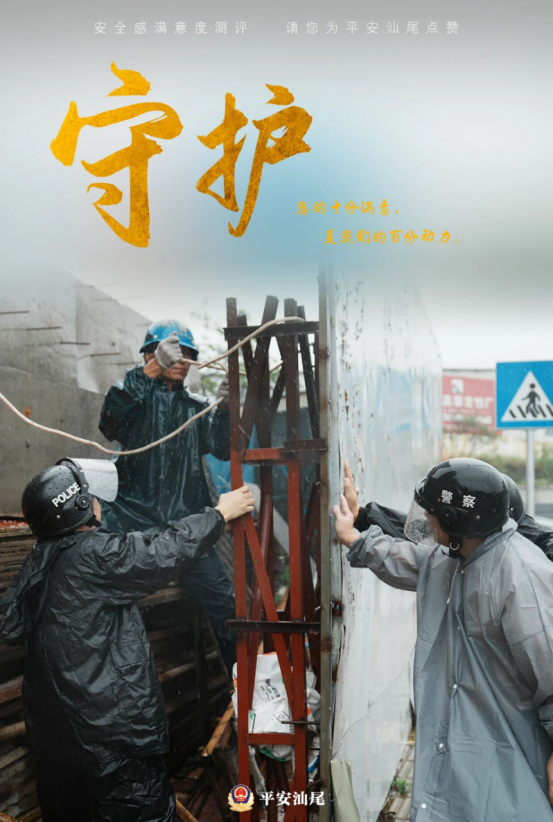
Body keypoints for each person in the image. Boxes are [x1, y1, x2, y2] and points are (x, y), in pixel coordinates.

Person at [0, 457, 254, 822]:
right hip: (112, 741)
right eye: (91, 496)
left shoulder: (39, 562)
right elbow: (162, 552)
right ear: (79, 506)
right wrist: (218, 514)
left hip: (58, 745)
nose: (99, 502)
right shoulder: (92, 554)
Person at [334, 458, 553, 821]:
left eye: (432, 512)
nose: (426, 518)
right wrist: (355, 534)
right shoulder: (457, 557)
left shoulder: (520, 576)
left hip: (508, 739)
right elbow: (411, 560)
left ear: (454, 519)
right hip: (466, 733)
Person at [99, 319, 237, 674]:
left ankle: (247, 687)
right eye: (173, 353)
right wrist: (150, 371)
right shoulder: (132, 398)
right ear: (150, 354)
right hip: (133, 527)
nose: (181, 359)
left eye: (187, 354)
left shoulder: (196, 408)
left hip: (186, 529)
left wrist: (225, 409)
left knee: (226, 608)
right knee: (114, 610)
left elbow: (223, 449)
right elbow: (109, 422)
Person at [344, 459, 553, 559]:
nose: (430, 524)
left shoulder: (529, 566)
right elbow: (425, 539)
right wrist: (361, 516)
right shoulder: (469, 550)